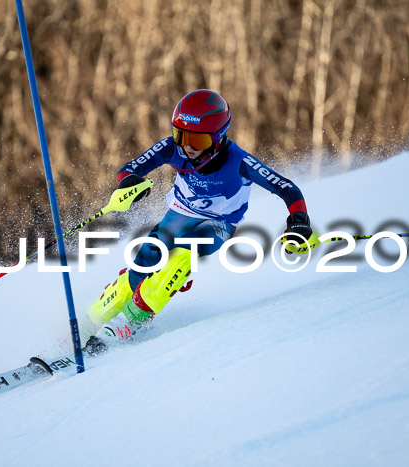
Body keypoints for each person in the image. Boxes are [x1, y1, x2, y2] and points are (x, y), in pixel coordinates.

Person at [83, 89, 312, 355]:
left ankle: (128, 323)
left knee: (184, 253)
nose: (187, 146)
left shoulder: (238, 161)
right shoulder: (173, 148)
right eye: (181, 135)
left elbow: (286, 187)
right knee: (146, 259)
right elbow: (130, 169)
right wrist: (129, 183)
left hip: (218, 223)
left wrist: (298, 222)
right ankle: (94, 320)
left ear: (218, 138)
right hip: (178, 214)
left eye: (197, 140)